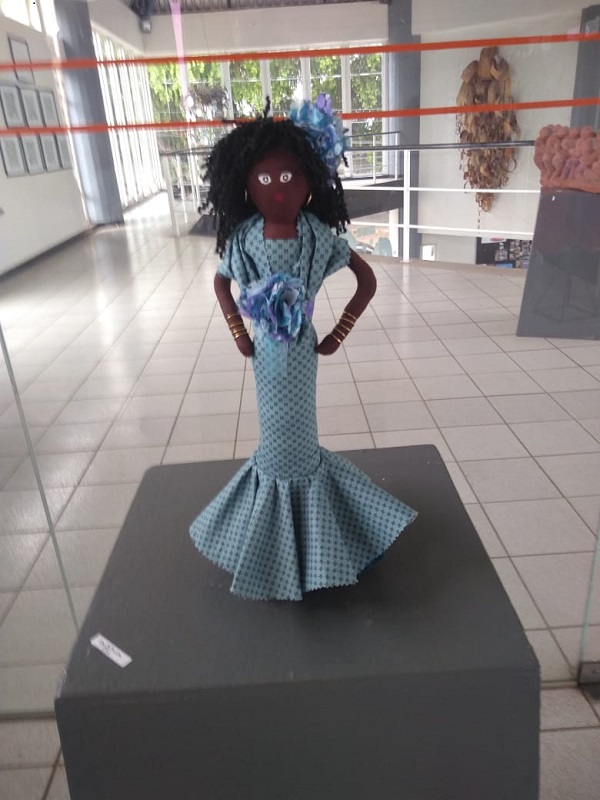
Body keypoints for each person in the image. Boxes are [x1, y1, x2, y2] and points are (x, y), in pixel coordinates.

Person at [190, 98, 417, 600]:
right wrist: (239, 332)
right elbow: (222, 283)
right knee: (275, 441)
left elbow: (366, 280)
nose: (278, 188)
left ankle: (320, 535)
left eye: (289, 177)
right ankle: (278, 538)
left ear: (311, 180)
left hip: (301, 352)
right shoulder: (245, 239)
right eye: (265, 179)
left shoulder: (318, 236)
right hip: (265, 357)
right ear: (245, 185)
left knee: (301, 441)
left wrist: (339, 331)